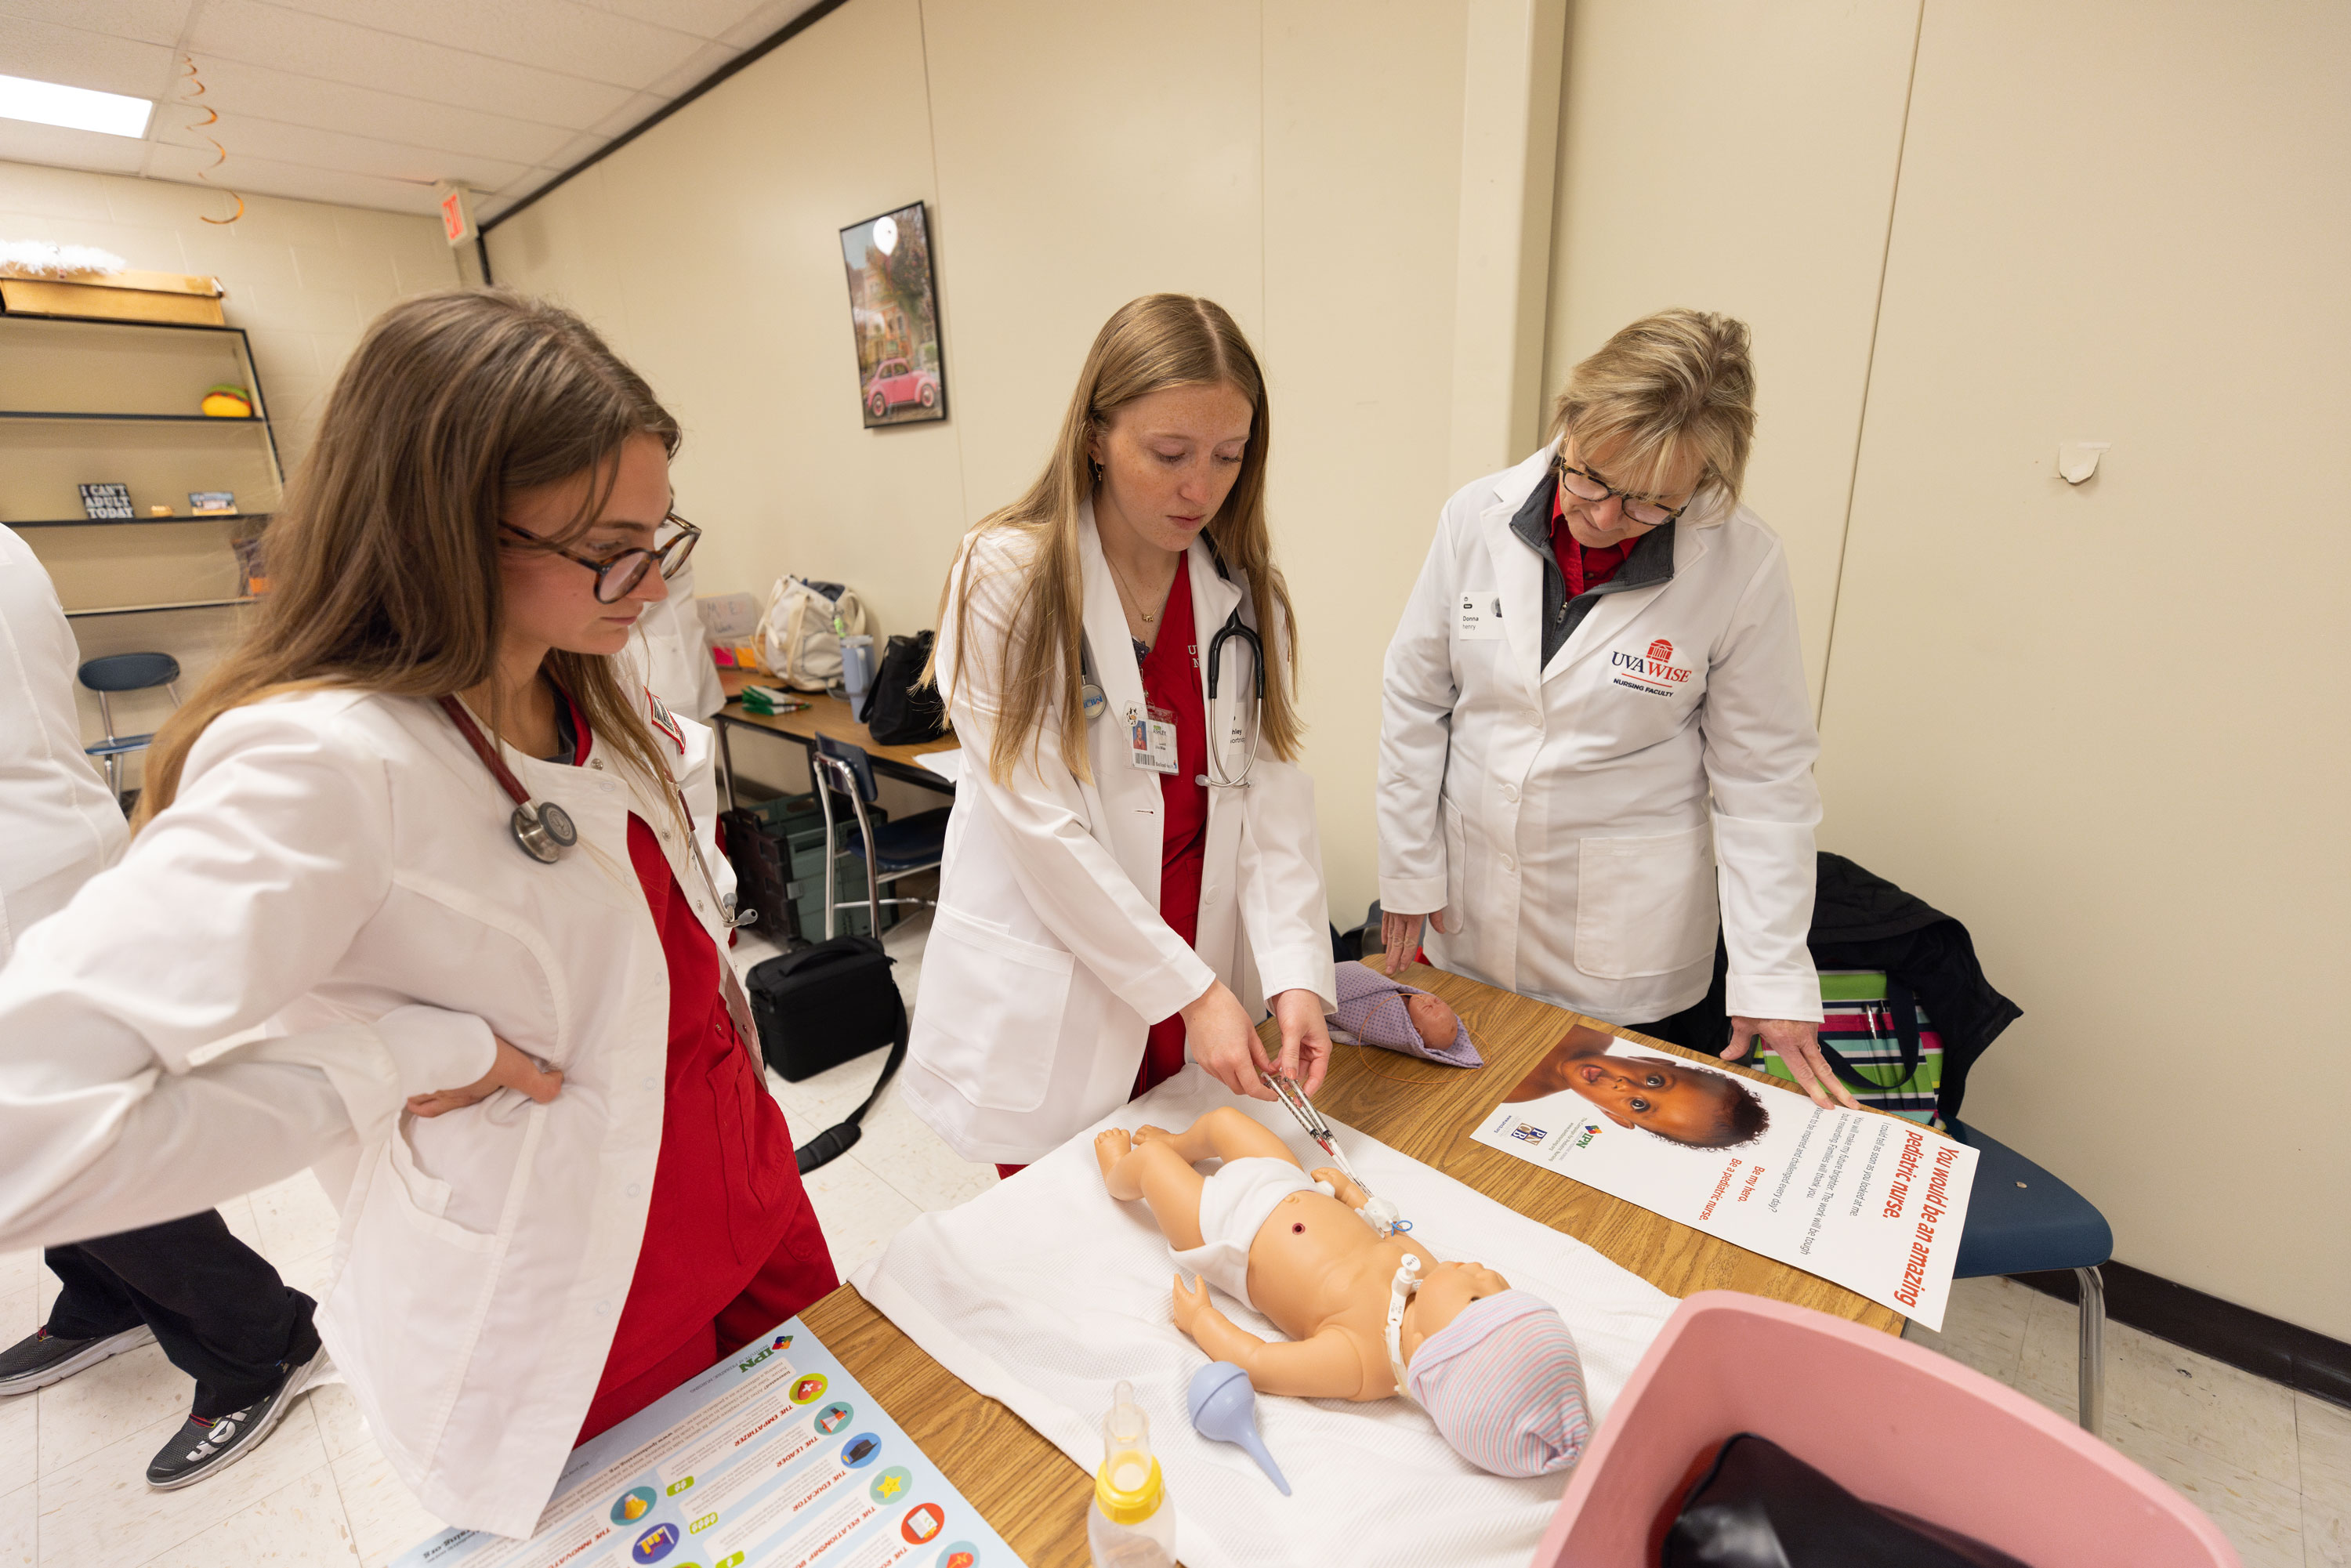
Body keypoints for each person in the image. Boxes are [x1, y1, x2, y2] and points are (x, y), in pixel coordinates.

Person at [0, 290, 835, 1537]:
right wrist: (402, 1057)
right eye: (611, 544)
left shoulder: (576, 683)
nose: (651, 582)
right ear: (448, 528)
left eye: (662, 535)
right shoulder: (322, 764)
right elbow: (27, 1129)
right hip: (581, 1283)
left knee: (841, 1486)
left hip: (745, 1188)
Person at [1375, 310, 1855, 1110]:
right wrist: (1409, 867)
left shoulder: (1739, 563)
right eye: (1590, 477)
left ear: (1704, 483)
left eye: (1646, 505)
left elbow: (1763, 780)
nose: (1603, 517)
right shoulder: (1476, 515)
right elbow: (1417, 695)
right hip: (1468, 917)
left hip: (1631, 954)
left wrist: (1771, 972)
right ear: (1570, 424)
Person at [904, 295, 1337, 1175]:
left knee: (1184, 1225)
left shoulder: (1244, 597)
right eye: (1169, 454)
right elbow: (1038, 826)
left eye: (1229, 456)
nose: (1200, 489)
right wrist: (1188, 991)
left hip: (1200, 972)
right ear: (1096, 435)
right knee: (1068, 1232)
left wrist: (1295, 973)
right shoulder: (1006, 577)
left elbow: (1274, 806)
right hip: (1071, 979)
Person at [0, 524, 327, 1490]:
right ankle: (104, 1296)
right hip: (45, 854)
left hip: (19, 880)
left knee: (80, 1144)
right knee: (62, 1137)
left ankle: (260, 1343)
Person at [1094, 1108, 1589, 1478]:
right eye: (1502, 1285)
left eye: (1480, 1299)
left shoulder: (1361, 1362)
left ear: (1431, 1354)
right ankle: (1183, 1144)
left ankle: (1121, 1173)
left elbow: (1262, 1364)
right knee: (1223, 1121)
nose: (1485, 1272)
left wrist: (1202, 1320)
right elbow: (1389, 1232)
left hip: (1222, 1230)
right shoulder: (1427, 1276)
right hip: (1286, 1182)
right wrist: (1354, 1196)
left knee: (1152, 1164)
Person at [1502, 1024, 1770, 1150]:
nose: (1624, 1086)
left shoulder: (1515, 1093)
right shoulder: (1596, 1027)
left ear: (1614, 1116)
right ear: (1651, 1059)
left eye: (1638, 1105)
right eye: (1654, 1081)